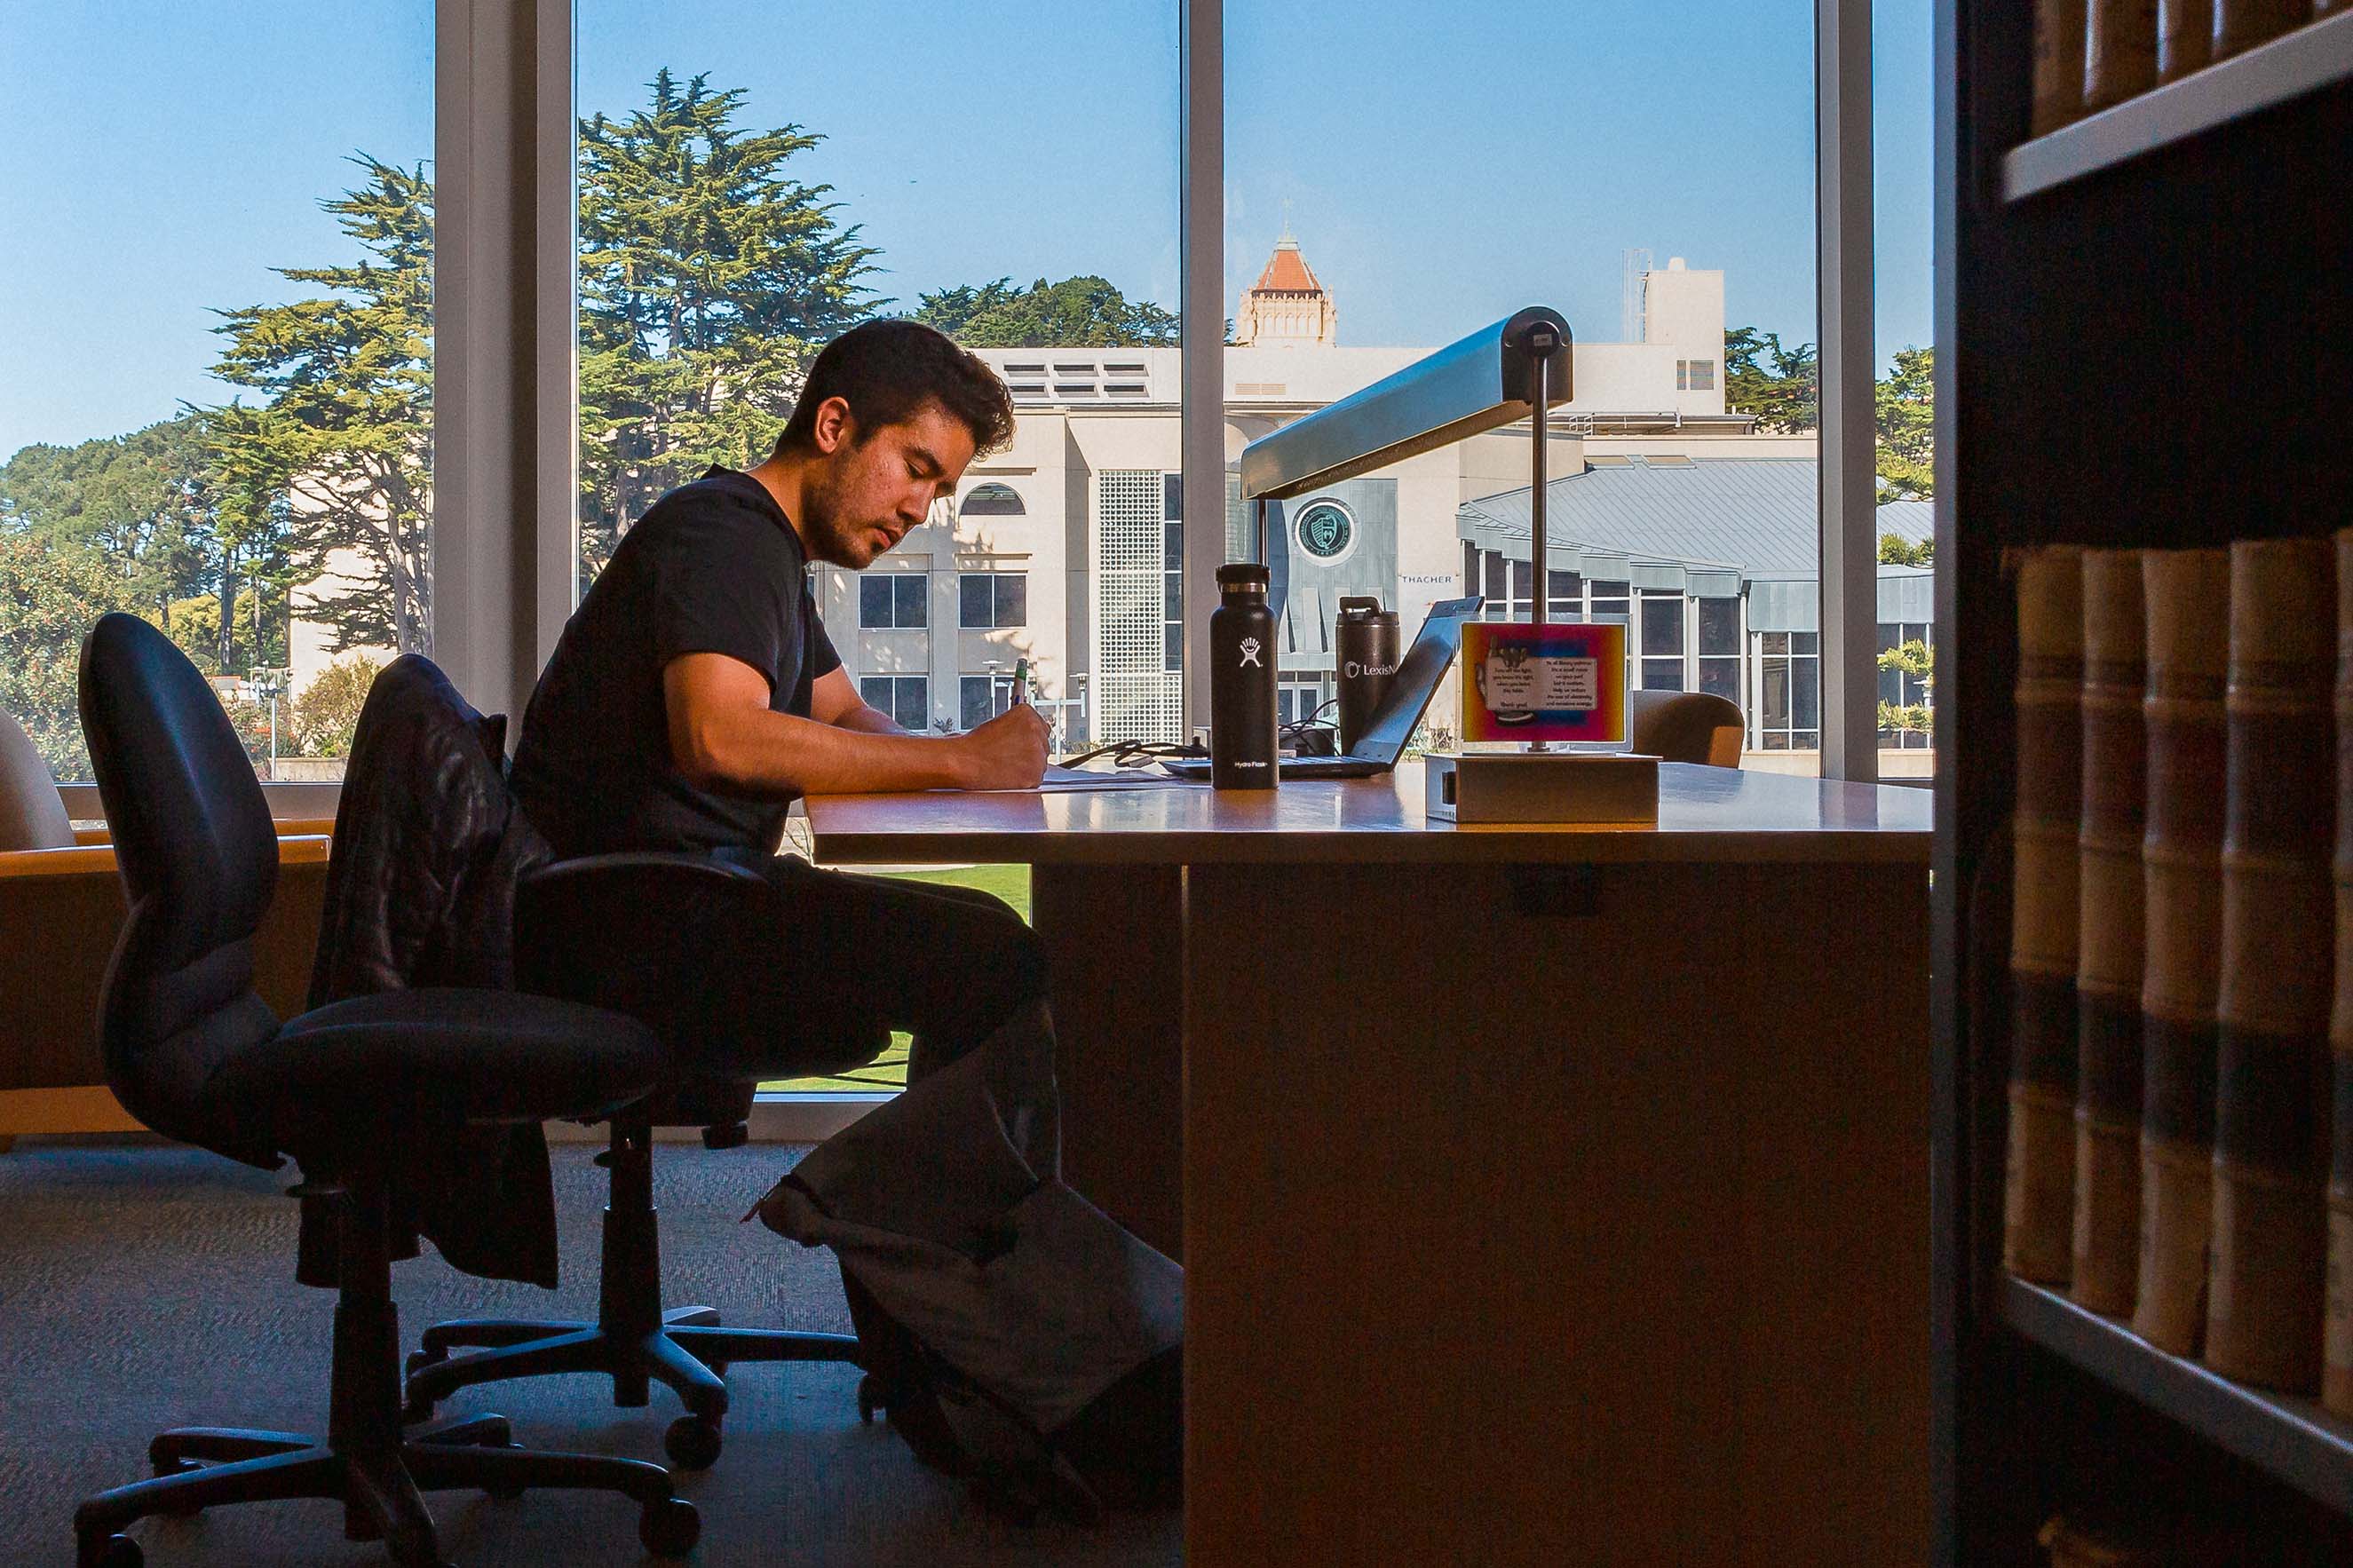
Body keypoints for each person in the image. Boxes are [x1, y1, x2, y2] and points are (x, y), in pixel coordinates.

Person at [511, 318, 1050, 1081]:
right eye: (915, 467)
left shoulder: (767, 554)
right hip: (631, 921)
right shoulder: (726, 535)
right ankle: (854, 1201)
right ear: (835, 425)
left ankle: (891, 1199)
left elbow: (846, 714)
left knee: (990, 931)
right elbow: (720, 737)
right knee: (995, 958)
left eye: (940, 489)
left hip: (673, 898)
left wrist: (960, 757)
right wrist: (962, 763)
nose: (920, 509)